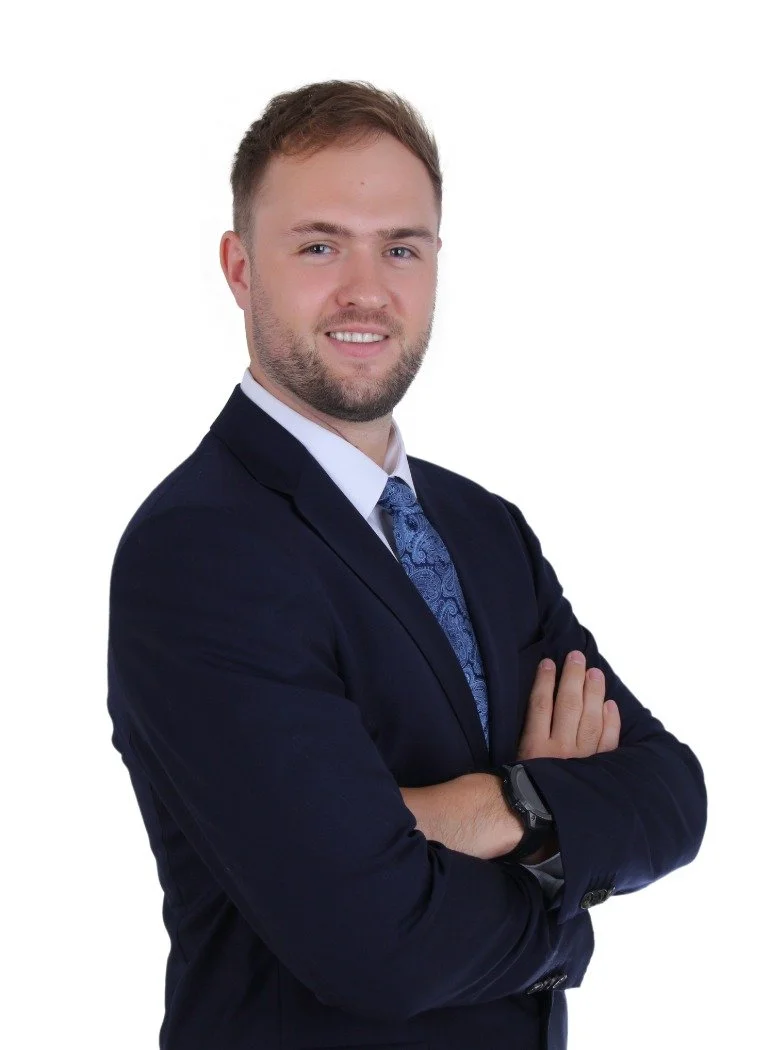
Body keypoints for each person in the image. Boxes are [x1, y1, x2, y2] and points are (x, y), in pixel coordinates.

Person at [107, 79, 707, 1050]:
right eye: (318, 246)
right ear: (239, 268)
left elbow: (672, 795)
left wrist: (496, 807)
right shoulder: (199, 551)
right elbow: (372, 945)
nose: (366, 290)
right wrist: (563, 902)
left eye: (400, 247)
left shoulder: (485, 528)